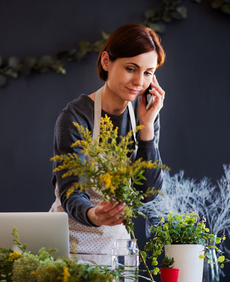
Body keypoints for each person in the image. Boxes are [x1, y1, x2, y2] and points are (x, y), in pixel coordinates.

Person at [50, 24, 166, 264]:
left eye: (148, 73)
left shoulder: (146, 113)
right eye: (131, 68)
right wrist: (95, 214)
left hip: (115, 247)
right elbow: (71, 191)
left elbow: (147, 193)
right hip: (68, 245)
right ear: (106, 61)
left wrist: (146, 128)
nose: (138, 81)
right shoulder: (75, 117)